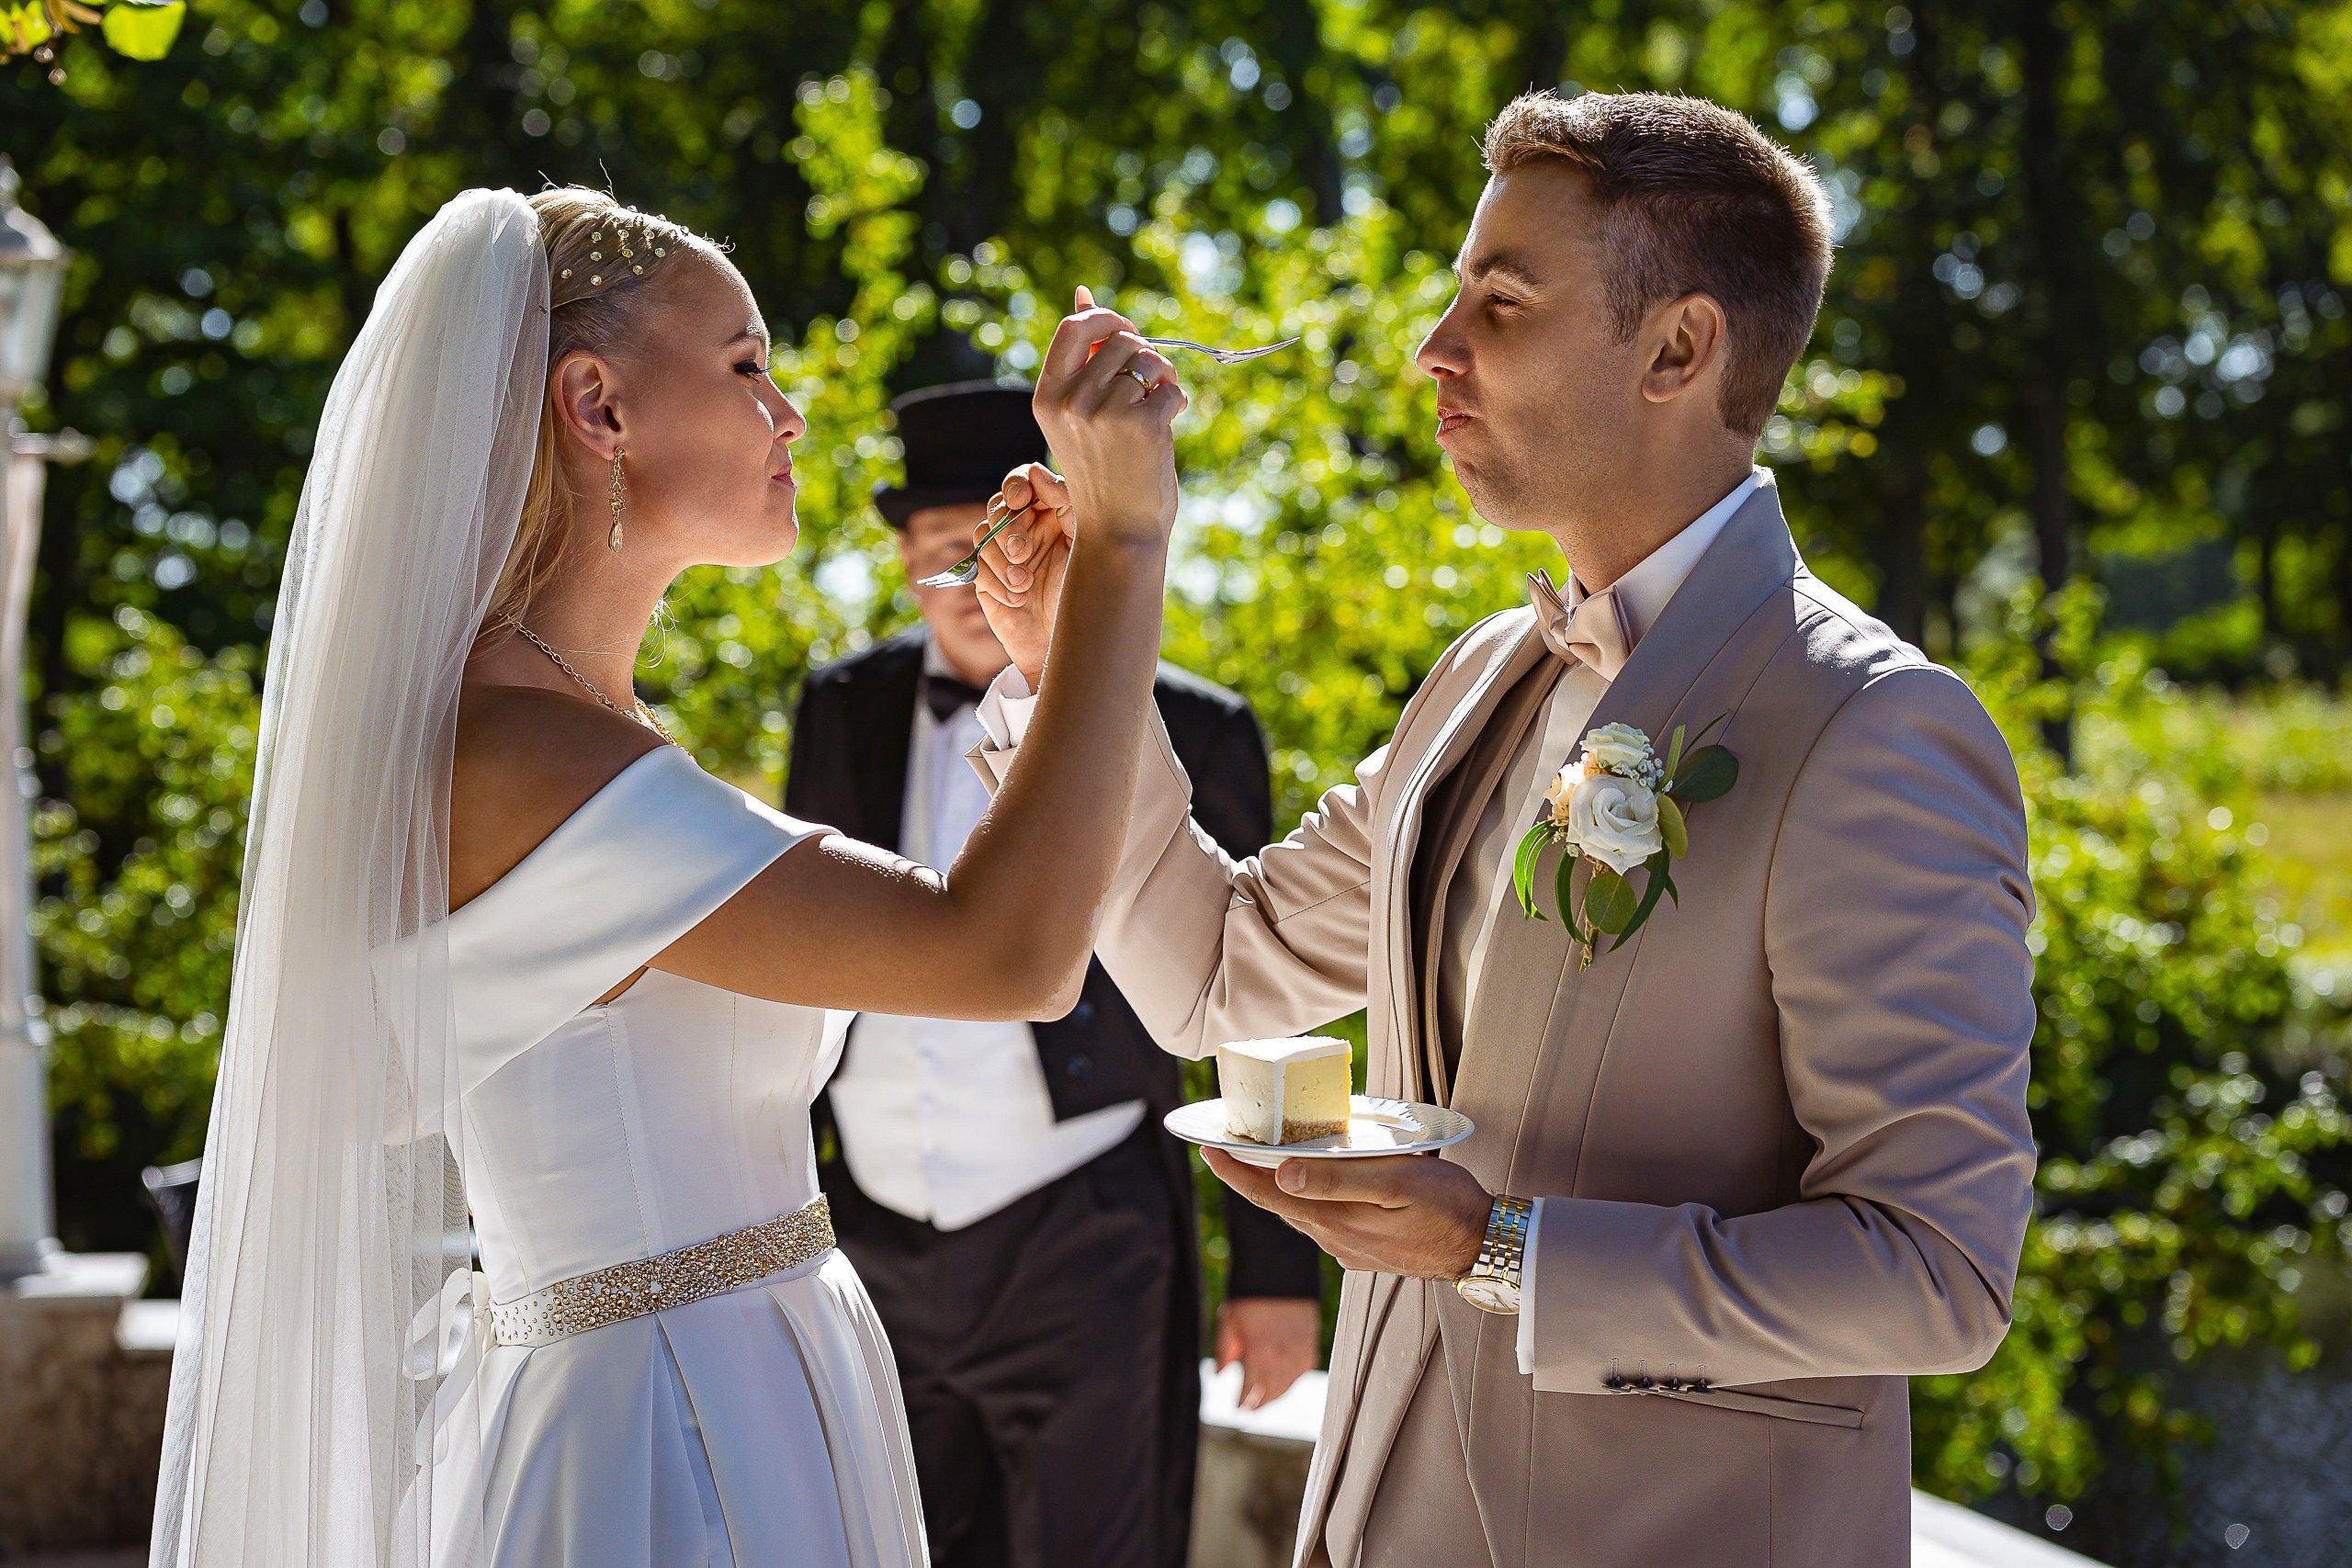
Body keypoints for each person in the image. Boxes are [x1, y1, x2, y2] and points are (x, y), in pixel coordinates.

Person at [967, 91, 2038, 1567]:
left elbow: (1940, 1273)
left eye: (1502, 302)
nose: (1436, 350)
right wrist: (1063, 659)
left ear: (1680, 348)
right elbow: (1220, 975)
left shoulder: (1872, 730)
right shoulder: (1481, 676)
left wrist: (1495, 1247)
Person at [150, 188, 1189, 1568]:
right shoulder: (522, 755)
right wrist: (1124, 543)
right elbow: (1004, 955)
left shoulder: (579, 728)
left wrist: (1052, 659)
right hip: (669, 1441)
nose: (793, 416)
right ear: (600, 406)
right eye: (749, 365)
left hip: (733, 1384)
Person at [785, 380, 1324, 1568]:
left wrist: (1277, 1274)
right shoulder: (839, 708)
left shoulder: (1196, 722)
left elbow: (1254, 994)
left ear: (1048, 541)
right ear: (904, 560)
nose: (977, 580)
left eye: (999, 542)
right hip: (870, 1235)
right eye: (945, 553)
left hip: (1082, 1234)